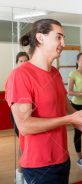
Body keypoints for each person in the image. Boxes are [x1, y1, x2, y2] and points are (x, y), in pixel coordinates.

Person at [5, 19, 82, 184]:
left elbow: (69, 111)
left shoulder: (55, 73)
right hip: (39, 167)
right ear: (40, 38)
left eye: (63, 38)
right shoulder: (20, 75)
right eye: (58, 37)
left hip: (61, 160)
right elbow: (25, 126)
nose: (64, 43)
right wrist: (68, 119)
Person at [11, 51, 29, 184]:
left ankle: (23, 174)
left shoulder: (30, 77)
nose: (23, 63)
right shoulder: (14, 76)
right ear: (17, 63)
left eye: (25, 61)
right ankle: (19, 174)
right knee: (24, 143)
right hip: (18, 114)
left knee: (27, 144)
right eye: (21, 61)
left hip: (30, 113)